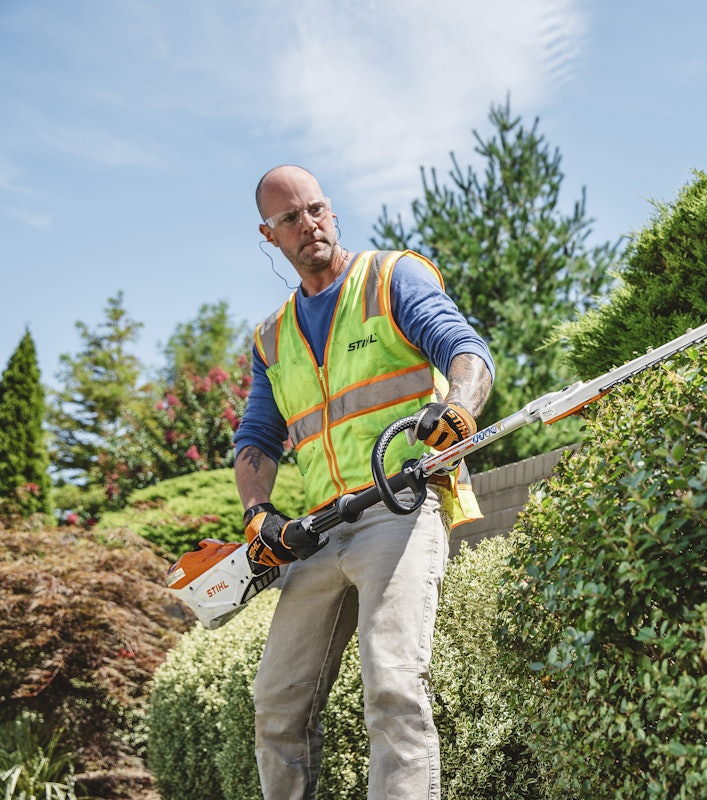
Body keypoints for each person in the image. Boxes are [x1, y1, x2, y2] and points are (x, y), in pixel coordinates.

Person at [233, 165, 494, 800]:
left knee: (393, 684)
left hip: (399, 506)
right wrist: (258, 513)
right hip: (318, 531)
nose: (310, 225)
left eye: (317, 209)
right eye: (291, 218)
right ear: (270, 236)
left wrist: (458, 407)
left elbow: (467, 351)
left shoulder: (391, 277)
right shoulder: (272, 338)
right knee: (277, 705)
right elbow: (256, 439)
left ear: (330, 209)